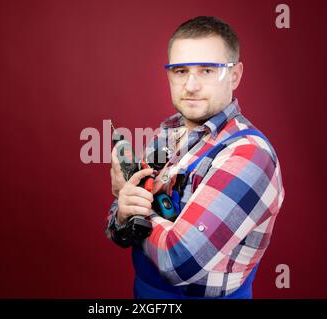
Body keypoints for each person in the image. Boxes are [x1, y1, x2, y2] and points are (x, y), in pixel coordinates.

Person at [106, 16, 285, 299]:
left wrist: (137, 207)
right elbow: (119, 231)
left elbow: (179, 260)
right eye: (180, 71)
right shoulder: (168, 132)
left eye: (207, 71)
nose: (190, 85)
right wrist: (123, 211)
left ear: (235, 75)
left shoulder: (249, 154)